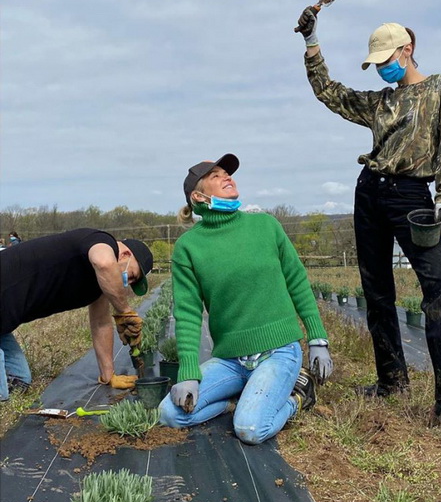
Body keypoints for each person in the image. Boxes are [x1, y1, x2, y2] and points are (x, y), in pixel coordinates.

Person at [296, 9, 441, 427]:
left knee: (440, 289)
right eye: (375, 65)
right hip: (370, 192)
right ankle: (391, 379)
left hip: (413, 196)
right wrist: (311, 42)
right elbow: (330, 93)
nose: (381, 70)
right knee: (376, 292)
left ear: (407, 51)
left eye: (385, 61)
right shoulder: (380, 102)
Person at [159, 154, 333, 444]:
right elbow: (187, 313)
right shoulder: (188, 247)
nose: (227, 177)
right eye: (215, 176)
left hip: (278, 351)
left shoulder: (266, 226)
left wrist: (317, 339)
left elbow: (297, 281)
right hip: (231, 361)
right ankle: (240, 400)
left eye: (227, 173)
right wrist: (187, 371)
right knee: (171, 414)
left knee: (250, 429)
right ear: (198, 196)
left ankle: (298, 398)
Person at [0, 229, 153, 401]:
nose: (127, 283)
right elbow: (104, 262)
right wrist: (125, 311)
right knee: (2, 393)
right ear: (124, 254)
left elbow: (101, 323)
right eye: (131, 276)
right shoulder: (100, 240)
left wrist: (108, 375)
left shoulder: (98, 286)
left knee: (20, 380)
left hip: (4, 319)